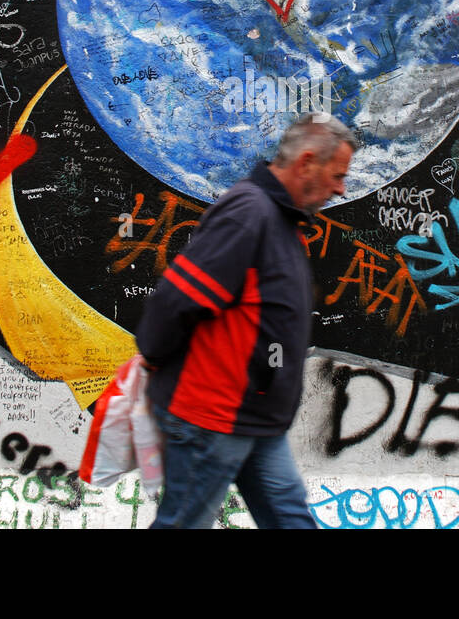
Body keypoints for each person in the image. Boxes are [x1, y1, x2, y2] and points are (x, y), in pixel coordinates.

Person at [135, 112, 357, 528]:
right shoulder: (249, 212)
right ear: (306, 163)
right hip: (213, 419)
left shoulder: (281, 218)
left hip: (256, 421)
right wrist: (151, 355)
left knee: (289, 517)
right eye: (338, 175)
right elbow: (178, 299)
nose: (341, 188)